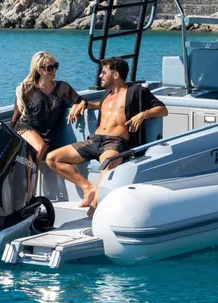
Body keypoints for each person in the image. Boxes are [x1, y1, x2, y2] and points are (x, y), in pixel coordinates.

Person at [47, 57, 168, 211]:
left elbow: (163, 109)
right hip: (94, 141)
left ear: (116, 75)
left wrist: (143, 114)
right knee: (53, 158)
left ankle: (95, 206)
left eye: (104, 72)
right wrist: (85, 104)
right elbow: (103, 107)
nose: (100, 76)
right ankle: (88, 188)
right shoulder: (107, 94)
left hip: (115, 143)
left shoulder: (137, 91)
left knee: (106, 164)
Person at [10, 51, 88, 170]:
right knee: (40, 146)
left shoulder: (63, 88)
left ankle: (31, 181)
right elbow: (15, 119)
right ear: (39, 70)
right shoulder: (26, 89)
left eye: (55, 66)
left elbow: (80, 101)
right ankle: (33, 178)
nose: (54, 70)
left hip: (48, 137)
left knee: (43, 146)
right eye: (49, 67)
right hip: (24, 129)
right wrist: (12, 142)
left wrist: (80, 104)